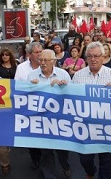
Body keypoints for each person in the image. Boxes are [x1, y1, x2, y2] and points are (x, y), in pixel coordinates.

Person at [72, 41, 111, 179]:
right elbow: (70, 100)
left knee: (106, 161)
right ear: (86, 58)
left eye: (96, 56)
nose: (93, 59)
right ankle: (90, 171)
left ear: (103, 56)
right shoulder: (78, 76)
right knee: (84, 159)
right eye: (90, 56)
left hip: (107, 127)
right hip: (85, 126)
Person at [28, 49, 72, 178]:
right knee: (46, 151)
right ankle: (49, 175)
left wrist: (64, 87)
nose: (42, 63)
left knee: (62, 149)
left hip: (60, 120)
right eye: (40, 60)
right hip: (42, 120)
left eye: (45, 60)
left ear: (53, 61)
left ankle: (65, 164)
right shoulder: (32, 76)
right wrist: (32, 87)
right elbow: (26, 98)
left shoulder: (63, 74)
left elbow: (73, 96)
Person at [14, 42, 43, 169]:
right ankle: (35, 159)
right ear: (29, 54)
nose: (40, 55)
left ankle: (47, 160)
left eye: (40, 51)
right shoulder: (21, 68)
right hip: (29, 108)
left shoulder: (47, 64)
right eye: (37, 52)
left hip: (45, 108)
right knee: (32, 137)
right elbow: (17, 86)